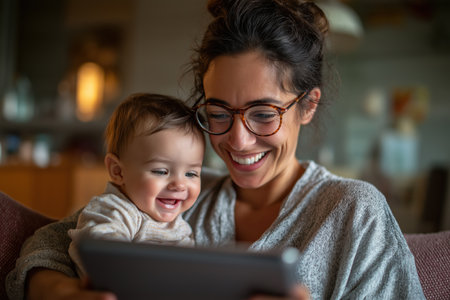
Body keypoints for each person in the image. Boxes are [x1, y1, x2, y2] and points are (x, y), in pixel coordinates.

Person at [6, 0, 425, 299]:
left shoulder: (354, 212)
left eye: (263, 113)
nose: (237, 141)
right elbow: (45, 246)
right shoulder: (177, 194)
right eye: (219, 111)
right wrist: (59, 291)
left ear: (308, 105)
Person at [67, 93, 205, 277]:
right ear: (118, 171)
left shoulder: (180, 227)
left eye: (191, 173)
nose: (180, 185)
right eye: (161, 171)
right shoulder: (116, 211)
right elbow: (100, 253)